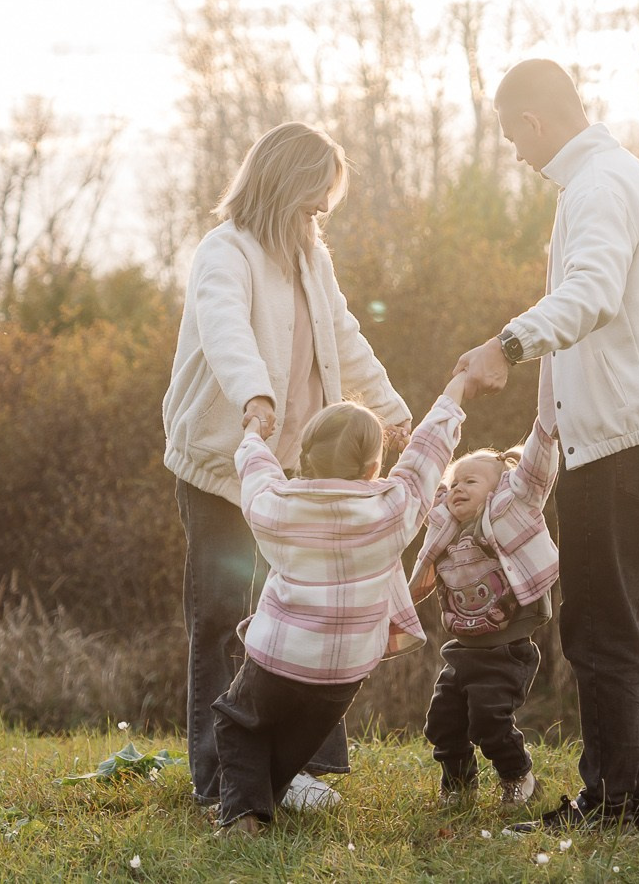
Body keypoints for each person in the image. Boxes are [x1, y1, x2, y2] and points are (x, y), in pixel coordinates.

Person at [457, 58, 639, 834]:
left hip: (622, 446)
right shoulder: (636, 179)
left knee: (602, 628)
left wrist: (509, 341)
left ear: (534, 122)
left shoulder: (597, 189)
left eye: (511, 137)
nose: (515, 154)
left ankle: (610, 803)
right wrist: (545, 425)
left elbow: (592, 293)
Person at [161, 123, 412, 814]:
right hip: (224, 461)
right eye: (314, 201)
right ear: (283, 187)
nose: (321, 215)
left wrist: (391, 408)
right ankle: (216, 777)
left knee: (302, 619)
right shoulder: (226, 252)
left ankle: (290, 767)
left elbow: (345, 334)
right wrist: (256, 396)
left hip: (298, 472)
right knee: (220, 615)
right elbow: (224, 328)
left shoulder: (311, 259)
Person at [211, 375, 473, 836]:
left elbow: (256, 473)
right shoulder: (392, 507)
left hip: (279, 656)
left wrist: (253, 433)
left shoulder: (278, 505)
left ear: (305, 457)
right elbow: (425, 458)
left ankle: (242, 814)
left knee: (239, 722)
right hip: (346, 670)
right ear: (373, 467)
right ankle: (261, 800)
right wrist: (453, 395)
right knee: (293, 746)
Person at [407, 424, 560, 808]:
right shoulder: (445, 527)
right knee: (442, 722)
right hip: (463, 649)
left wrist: (547, 424)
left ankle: (518, 777)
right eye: (454, 482)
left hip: (506, 649)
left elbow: (535, 469)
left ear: (498, 488)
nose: (457, 488)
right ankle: (459, 785)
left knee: (489, 721)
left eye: (469, 481)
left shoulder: (511, 509)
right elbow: (419, 486)